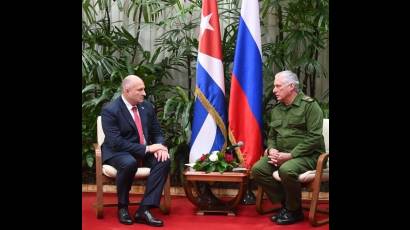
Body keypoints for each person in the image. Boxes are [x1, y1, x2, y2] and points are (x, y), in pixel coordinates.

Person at [251, 70, 325, 225]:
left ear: (291, 86)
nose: (274, 90)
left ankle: (292, 211)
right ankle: (289, 206)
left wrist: (290, 155)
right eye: (274, 86)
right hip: (282, 155)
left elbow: (315, 138)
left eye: (278, 86)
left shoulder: (310, 106)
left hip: (309, 156)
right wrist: (272, 150)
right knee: (258, 169)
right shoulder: (277, 109)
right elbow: (272, 136)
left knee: (287, 169)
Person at [101, 75, 170, 226]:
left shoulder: (147, 107)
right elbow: (116, 142)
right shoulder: (110, 110)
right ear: (127, 90)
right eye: (140, 90)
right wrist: (147, 148)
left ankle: (144, 209)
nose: (144, 93)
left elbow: (157, 132)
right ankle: (123, 207)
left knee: (164, 160)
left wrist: (161, 147)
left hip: (143, 150)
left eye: (144, 89)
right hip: (117, 151)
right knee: (129, 162)